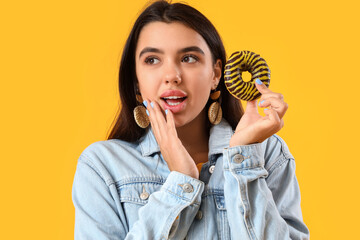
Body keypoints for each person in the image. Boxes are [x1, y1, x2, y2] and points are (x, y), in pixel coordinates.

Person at [72, 1, 310, 239]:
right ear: (136, 79)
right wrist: (181, 183)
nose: (172, 76)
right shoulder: (102, 167)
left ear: (216, 74)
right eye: (152, 60)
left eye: (188, 58)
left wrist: (244, 158)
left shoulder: (267, 153)